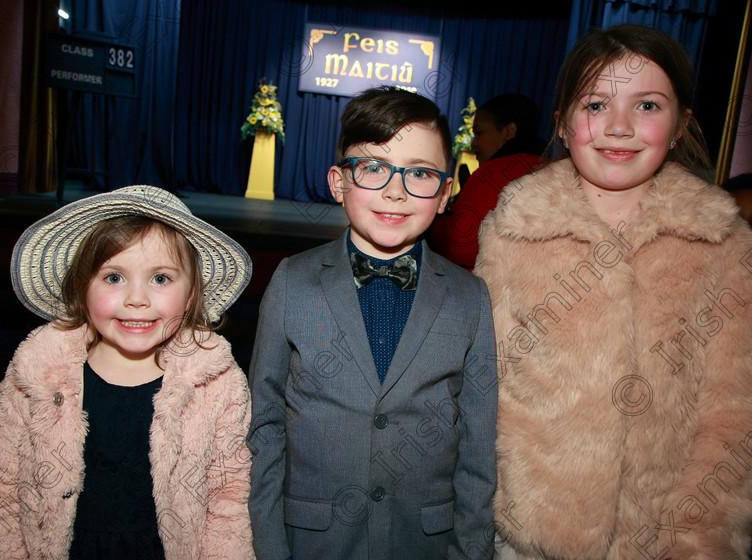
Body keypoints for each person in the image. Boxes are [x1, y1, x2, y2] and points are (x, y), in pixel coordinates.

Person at [475, 24, 752, 559]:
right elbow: (488, 386)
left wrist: (700, 537)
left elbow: (733, 412)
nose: (620, 127)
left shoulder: (723, 241)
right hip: (522, 539)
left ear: (680, 126)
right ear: (563, 123)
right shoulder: (512, 228)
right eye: (596, 104)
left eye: (648, 106)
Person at [247, 86, 498, 560]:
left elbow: (479, 447)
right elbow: (265, 425)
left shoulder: (471, 298)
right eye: (374, 168)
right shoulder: (291, 281)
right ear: (339, 182)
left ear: (445, 193)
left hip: (423, 542)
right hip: (314, 540)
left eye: (420, 173)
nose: (395, 190)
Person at [0, 186, 256, 559]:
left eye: (161, 279)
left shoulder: (218, 380)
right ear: (81, 287)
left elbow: (228, 499)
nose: (137, 299)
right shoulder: (37, 371)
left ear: (191, 294)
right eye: (114, 278)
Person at [427, 93, 546, 270]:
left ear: (509, 132)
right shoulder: (550, 167)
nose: (473, 143)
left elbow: (461, 245)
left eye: (479, 133)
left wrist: (432, 222)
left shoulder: (495, 172)